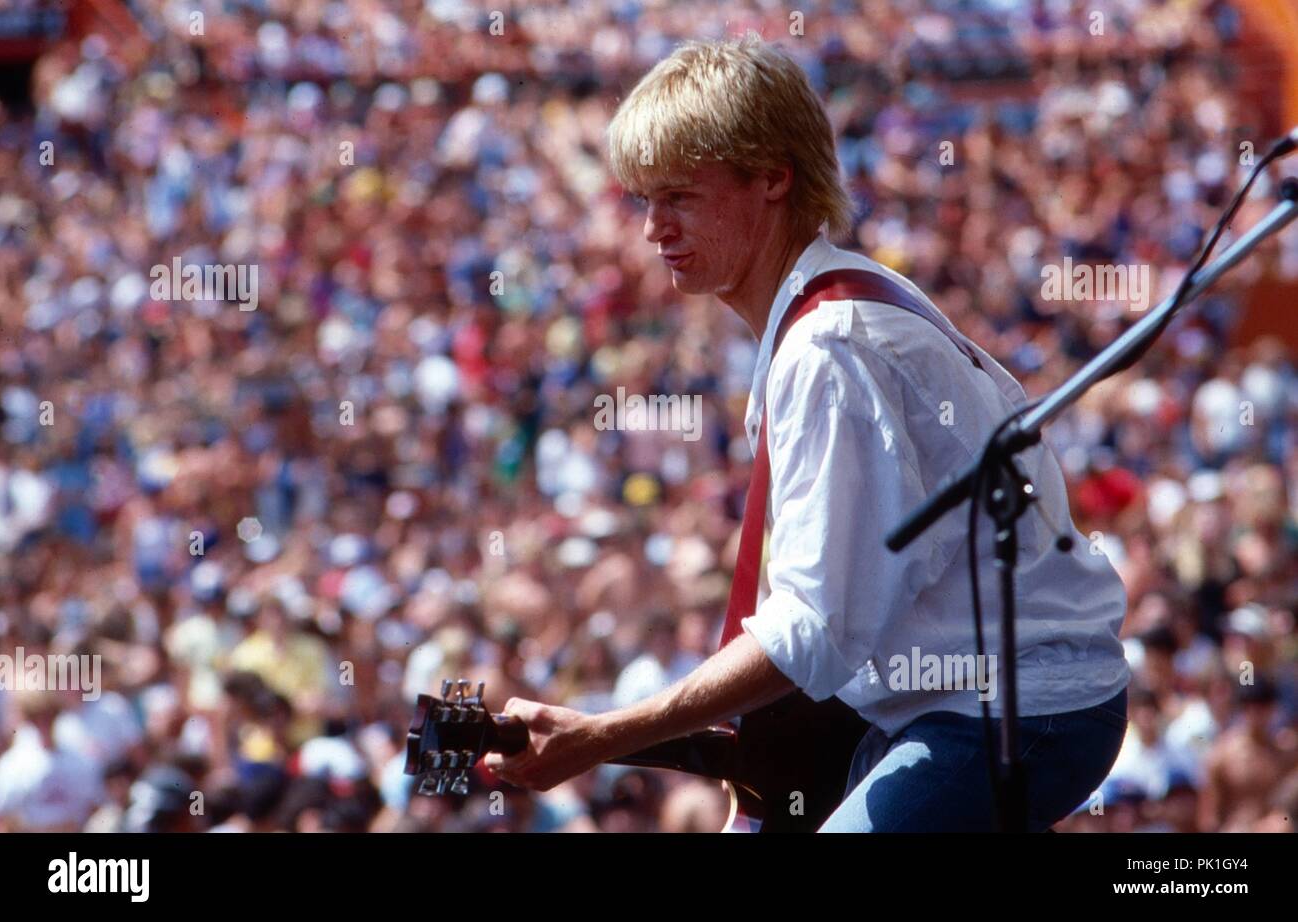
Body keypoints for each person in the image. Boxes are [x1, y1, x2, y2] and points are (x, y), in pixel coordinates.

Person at [482, 32, 1132, 832]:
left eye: (680, 196)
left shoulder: (829, 347)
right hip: (946, 701)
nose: (653, 229)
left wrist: (603, 736)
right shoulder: (833, 303)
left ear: (773, 178)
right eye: (642, 200)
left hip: (1014, 710)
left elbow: (814, 633)